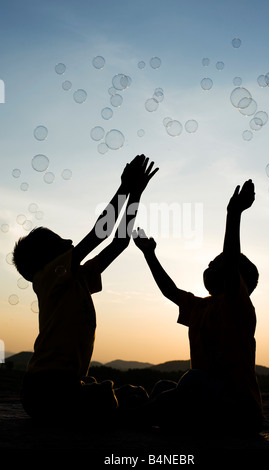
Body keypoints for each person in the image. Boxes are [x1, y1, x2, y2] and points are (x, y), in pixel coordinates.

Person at [12, 154, 158, 425]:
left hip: (63, 386)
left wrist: (135, 194)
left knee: (128, 394)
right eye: (59, 241)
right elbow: (99, 234)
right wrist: (124, 188)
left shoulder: (76, 278)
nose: (68, 239)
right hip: (45, 388)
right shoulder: (47, 279)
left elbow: (119, 242)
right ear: (48, 260)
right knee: (117, 402)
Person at [133, 180, 263, 434]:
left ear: (235, 278)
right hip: (210, 401)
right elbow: (169, 290)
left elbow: (232, 255)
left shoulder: (237, 306)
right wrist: (149, 254)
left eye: (217, 264)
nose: (210, 265)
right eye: (211, 262)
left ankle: (139, 417)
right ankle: (162, 416)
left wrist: (233, 214)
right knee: (162, 387)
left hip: (240, 410)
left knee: (193, 380)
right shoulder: (200, 307)